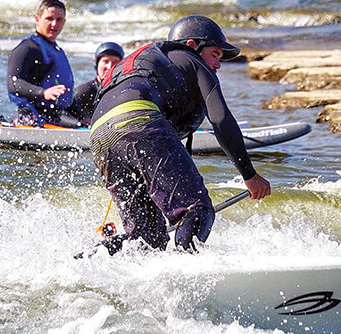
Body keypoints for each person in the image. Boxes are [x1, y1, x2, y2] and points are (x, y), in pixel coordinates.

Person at [89, 15, 271, 254]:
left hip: (98, 137)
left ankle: (87, 261)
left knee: (147, 238)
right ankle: (187, 277)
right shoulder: (193, 61)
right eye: (215, 54)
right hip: (138, 119)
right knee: (196, 209)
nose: (217, 65)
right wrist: (250, 175)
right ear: (192, 45)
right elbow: (221, 119)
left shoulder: (151, 64)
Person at [6, 0, 74, 127]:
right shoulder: (26, 48)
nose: (54, 24)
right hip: (31, 118)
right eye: (49, 19)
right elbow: (13, 83)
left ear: (64, 22)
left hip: (56, 118)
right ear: (37, 19)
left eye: (59, 20)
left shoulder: (58, 51)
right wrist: (43, 92)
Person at [62, 42, 125, 127]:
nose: (110, 66)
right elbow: (61, 114)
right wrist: (79, 123)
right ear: (97, 65)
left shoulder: (125, 91)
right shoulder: (83, 91)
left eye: (115, 62)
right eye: (105, 61)